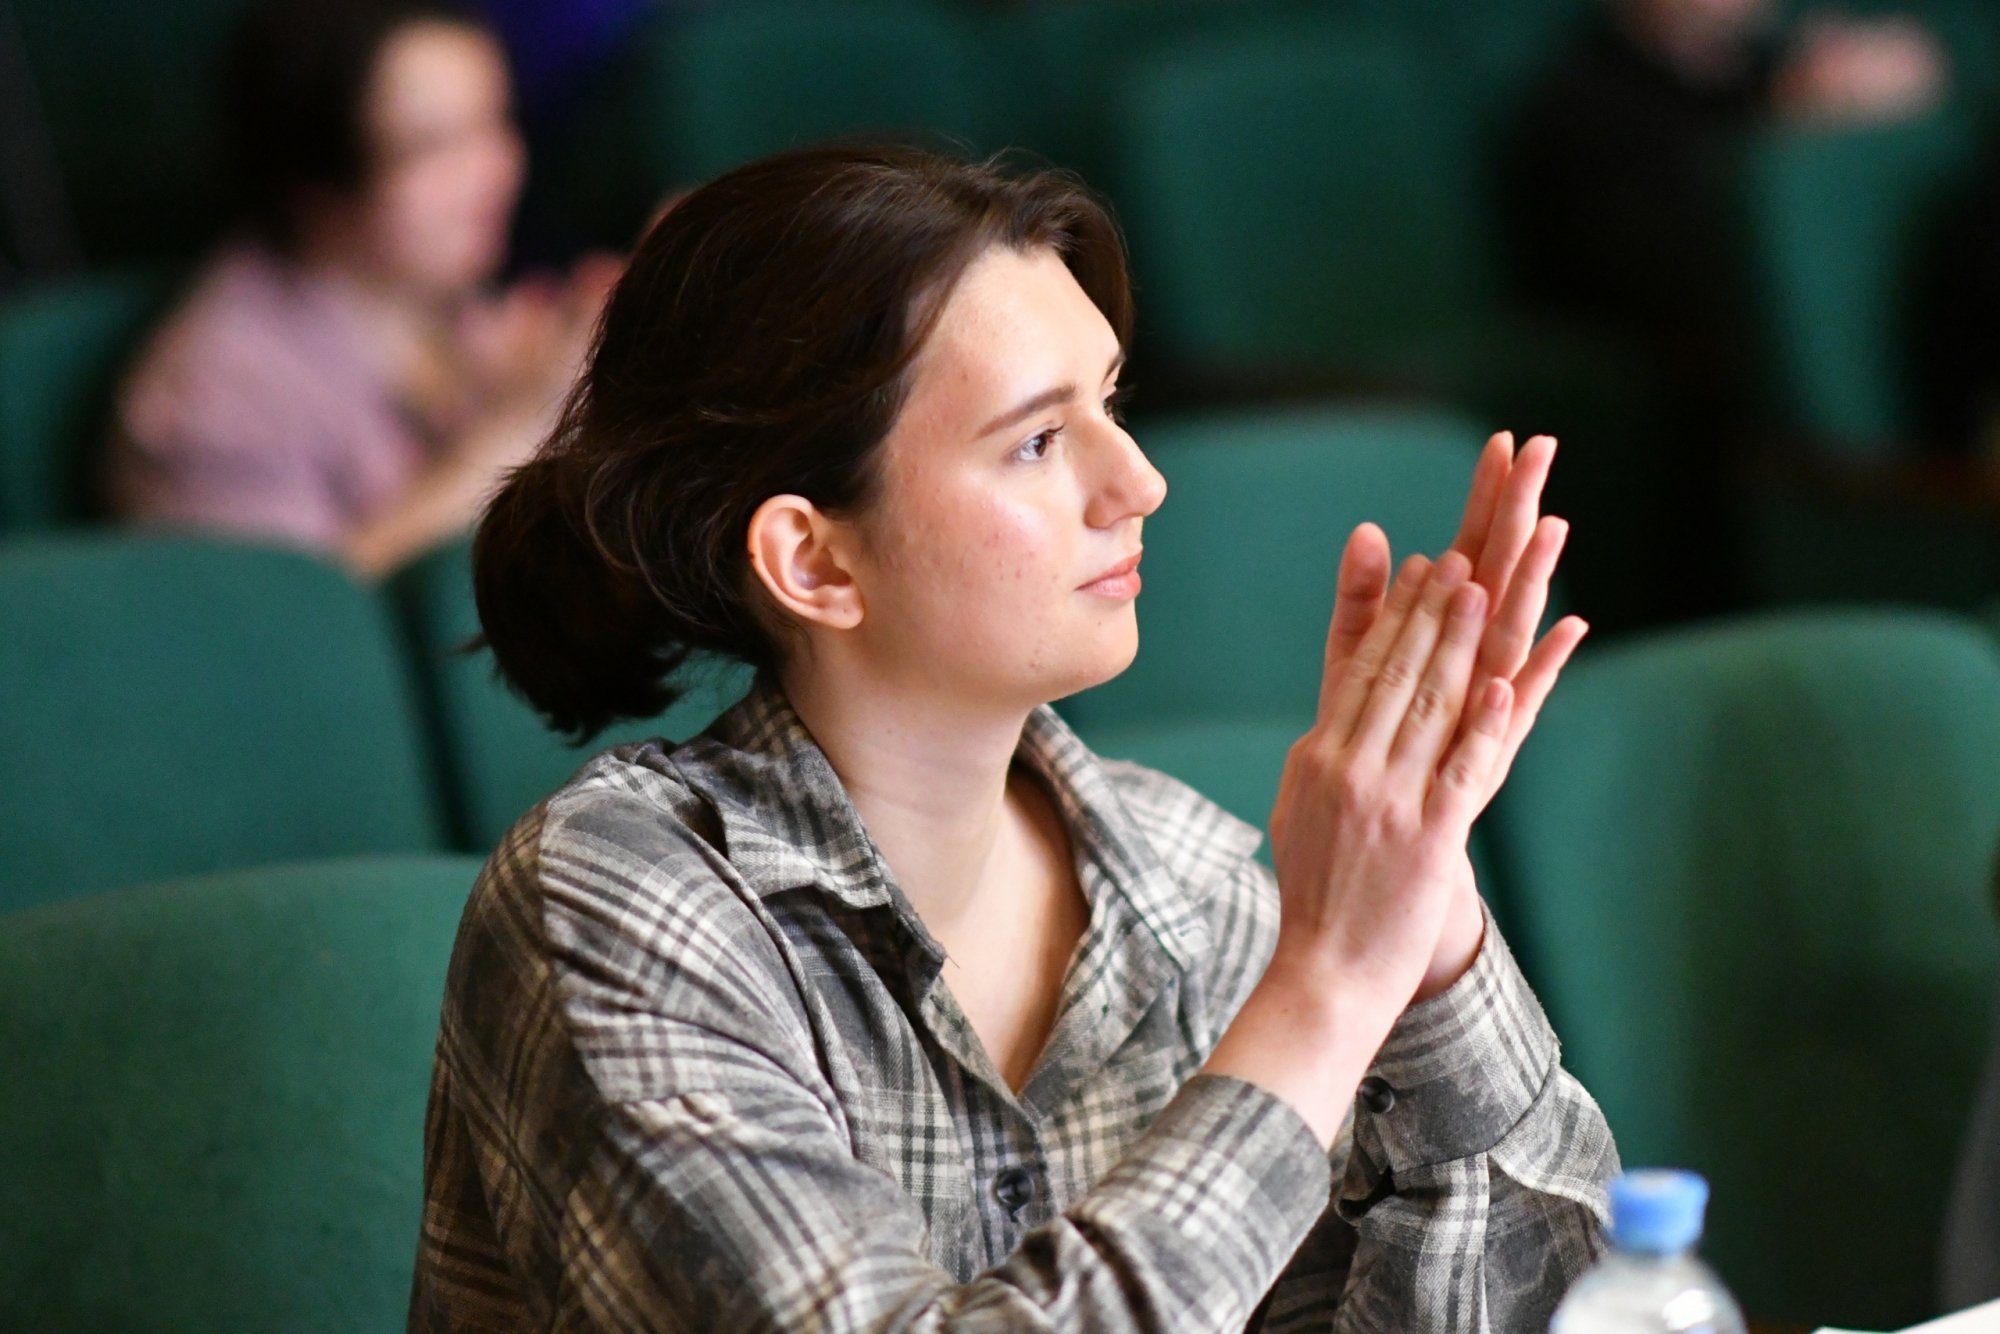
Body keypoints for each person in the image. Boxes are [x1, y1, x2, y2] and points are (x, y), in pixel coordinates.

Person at [410, 144, 1618, 1331]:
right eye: (1036, 440)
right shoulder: (618, 901)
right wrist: (1327, 989)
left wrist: (1426, 923)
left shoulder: (1185, 881)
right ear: (814, 561)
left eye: (1110, 403)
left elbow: (1562, 1308)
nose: (1138, 481)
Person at [104, 0, 611, 578]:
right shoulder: (211, 401)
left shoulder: (422, 282)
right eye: (432, 146)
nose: (496, 169)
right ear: (315, 181)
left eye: (495, 119)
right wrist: (518, 423)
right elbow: (301, 610)